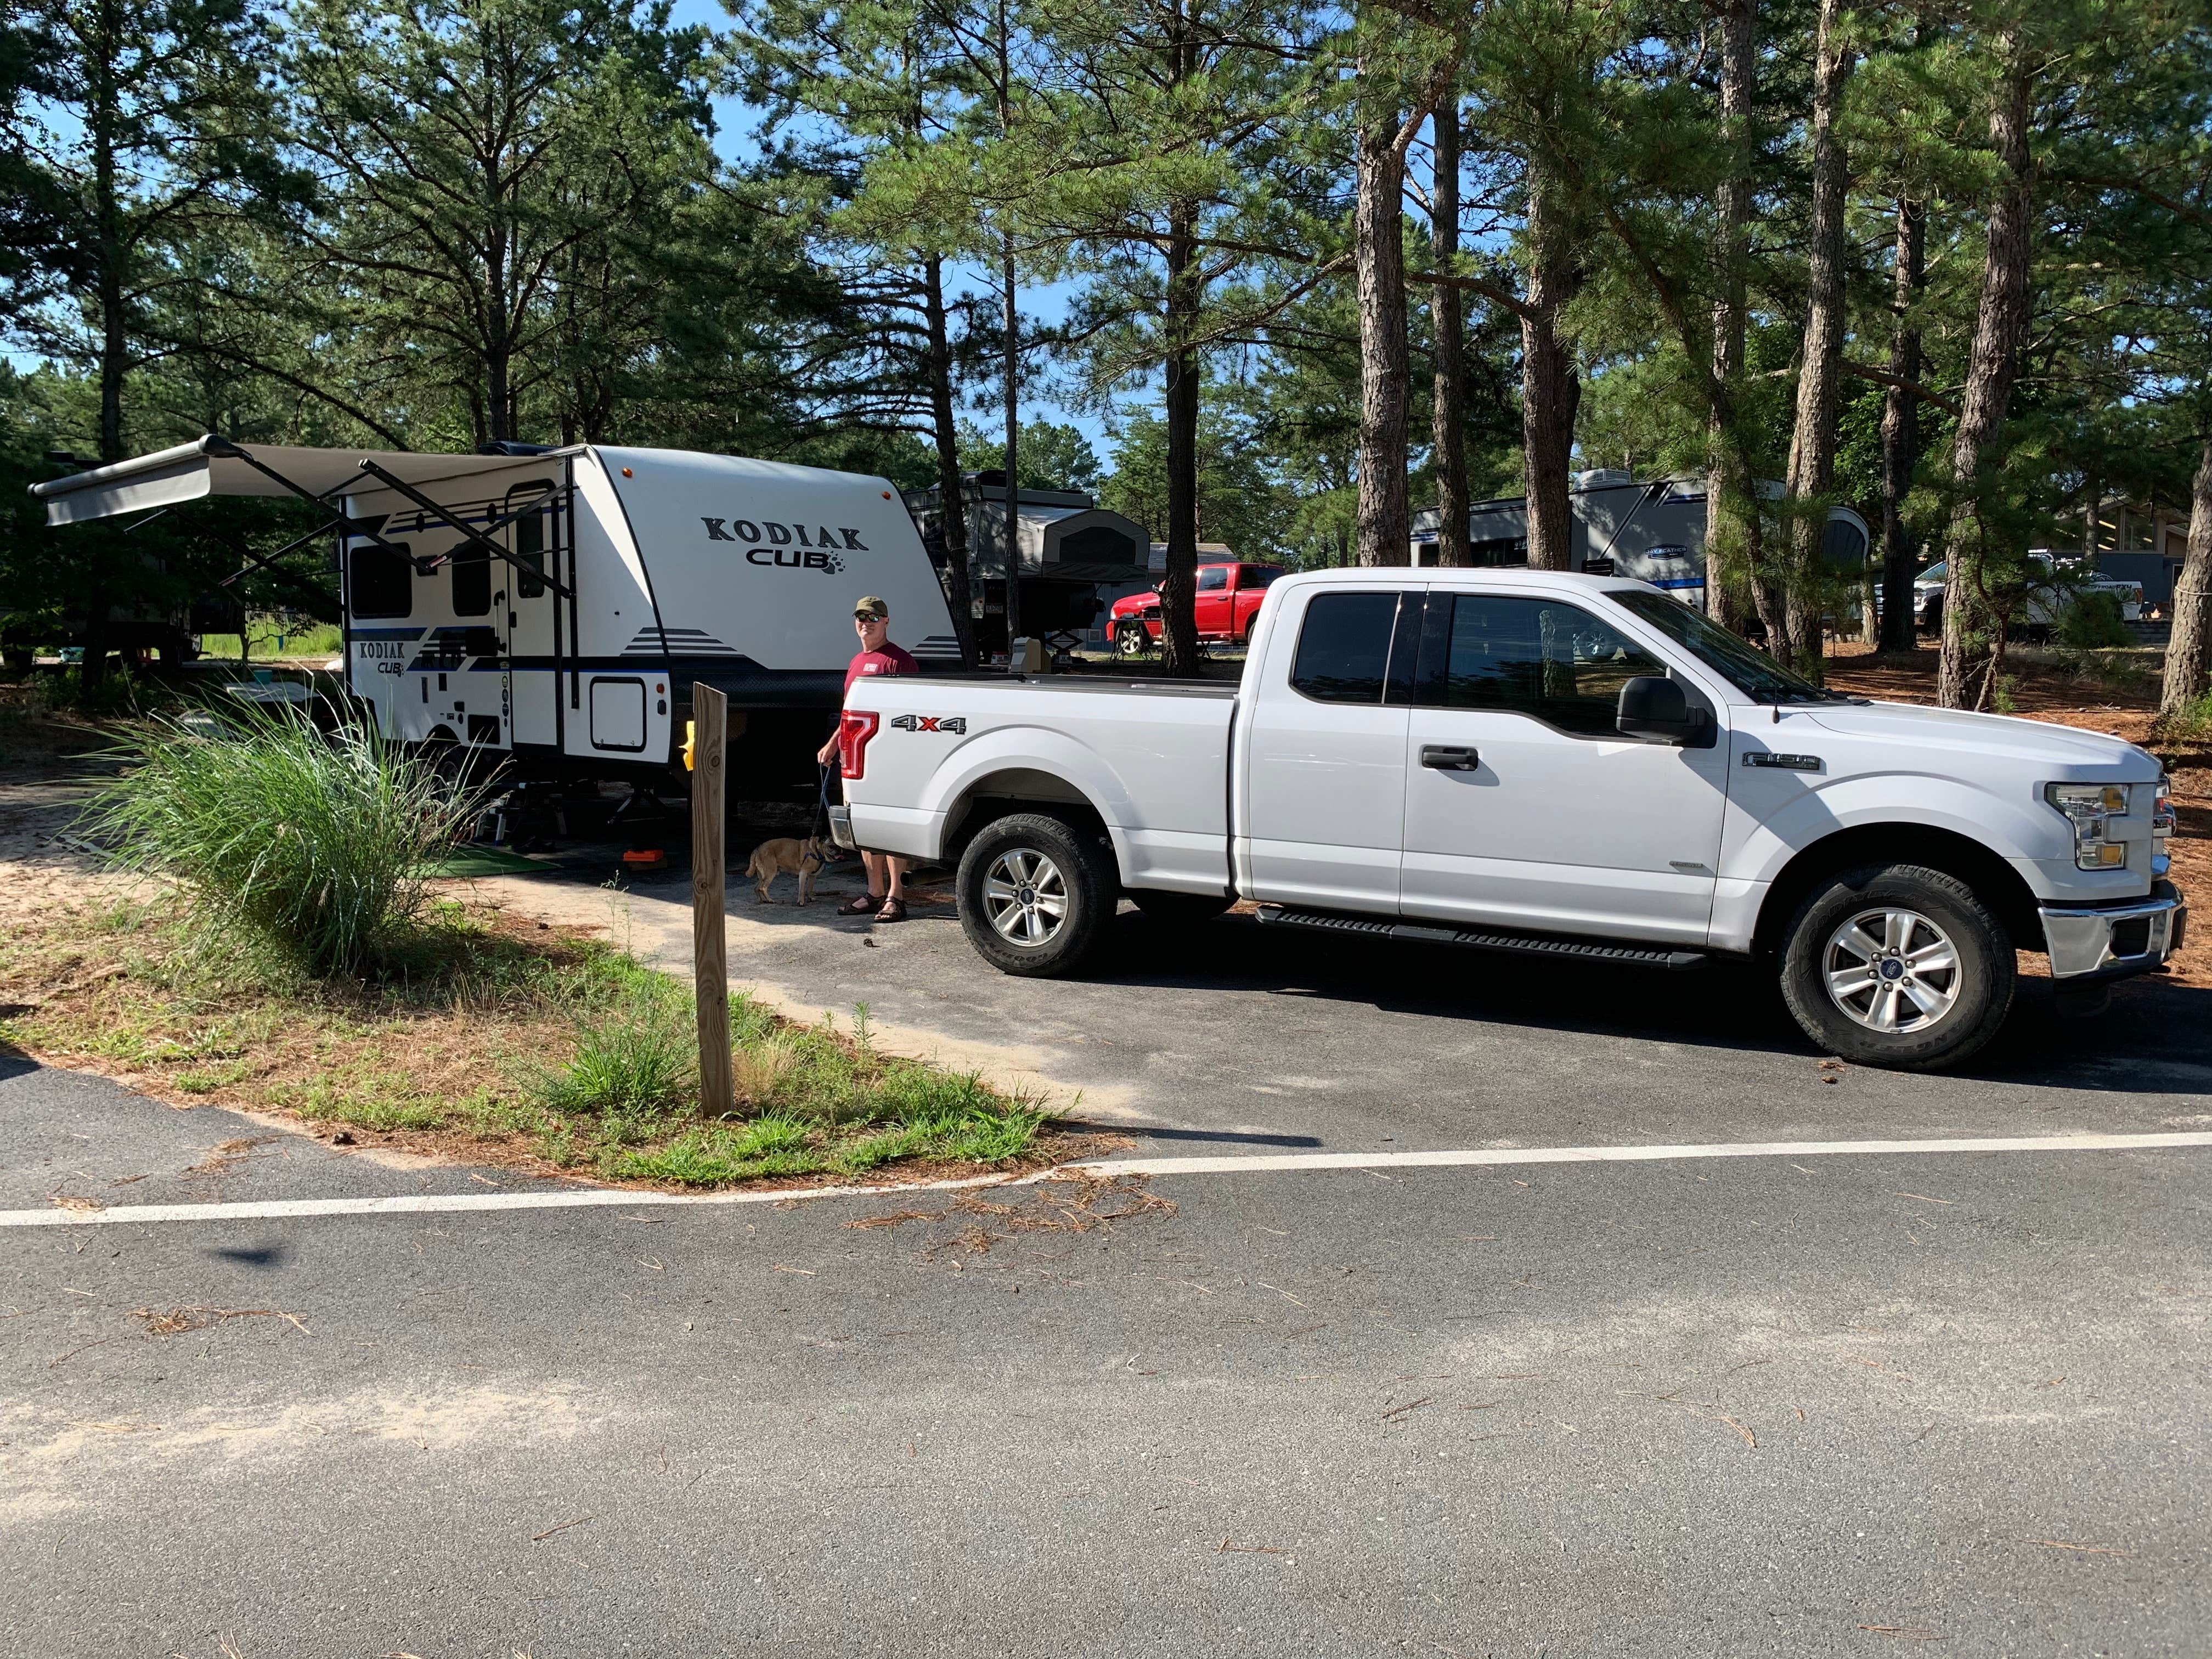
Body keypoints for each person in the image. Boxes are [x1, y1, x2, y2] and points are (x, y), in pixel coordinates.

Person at [818, 594, 919, 922]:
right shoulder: (856, 662)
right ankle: (874, 892)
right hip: (854, 757)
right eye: (861, 617)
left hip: (887, 758)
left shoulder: (899, 661)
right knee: (861, 825)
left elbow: (910, 713)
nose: (866, 623)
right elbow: (850, 712)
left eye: (873, 618)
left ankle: (895, 896)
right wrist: (833, 744)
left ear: (886, 622)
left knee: (888, 826)